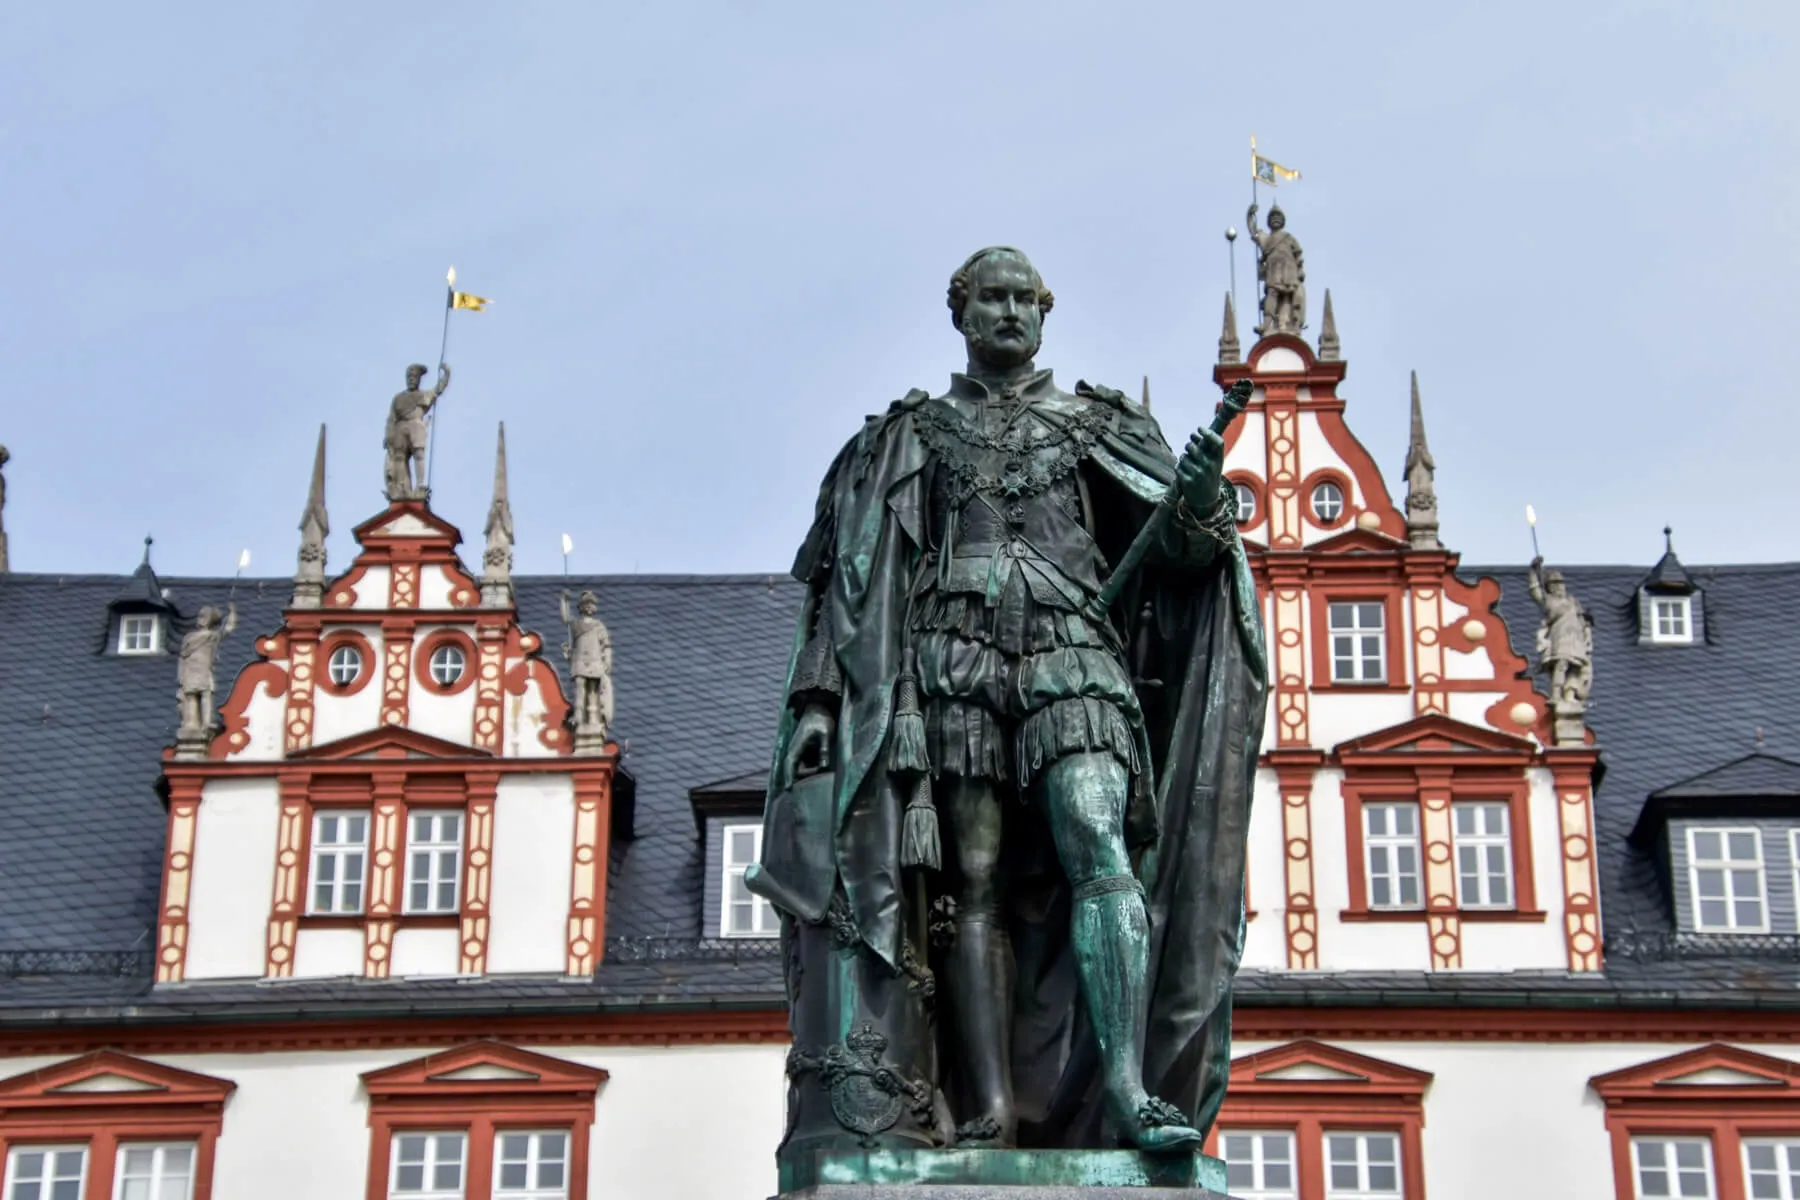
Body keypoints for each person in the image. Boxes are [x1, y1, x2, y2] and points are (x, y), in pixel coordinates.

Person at [750, 247, 1267, 1160]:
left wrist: (1195, 508)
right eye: (991, 297)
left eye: (1025, 299)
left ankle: (1127, 1090)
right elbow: (852, 579)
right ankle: (988, 1103)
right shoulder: (910, 434)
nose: (1009, 313)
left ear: (1045, 312)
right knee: (972, 882)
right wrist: (822, 701)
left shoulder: (1099, 424)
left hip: (1074, 650)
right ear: (960, 311)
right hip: (952, 653)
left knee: (1097, 842)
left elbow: (1186, 562)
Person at [384, 363, 450, 499]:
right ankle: (403, 486)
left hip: (416, 426)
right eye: (409, 377)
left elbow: (438, 389)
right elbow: (391, 418)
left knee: (419, 455)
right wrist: (388, 435)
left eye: (414, 377)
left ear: (419, 379)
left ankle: (419, 485)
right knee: (399, 457)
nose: (411, 379)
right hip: (400, 428)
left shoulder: (423, 395)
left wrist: (446, 375)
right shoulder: (398, 398)